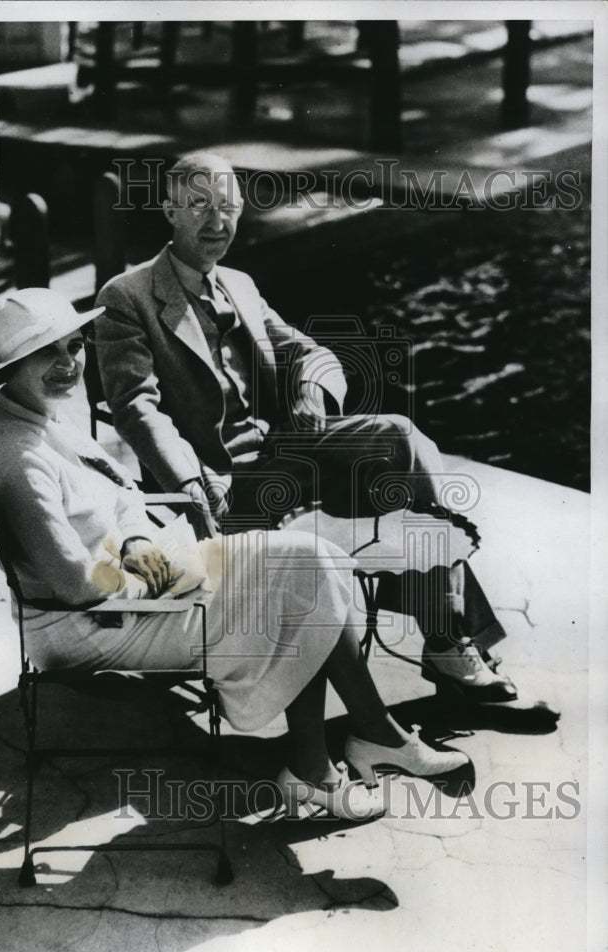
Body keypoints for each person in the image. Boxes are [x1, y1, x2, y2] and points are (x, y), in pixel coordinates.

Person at [0, 287, 472, 823]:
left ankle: (348, 751)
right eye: (48, 353)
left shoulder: (41, 408)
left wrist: (140, 543)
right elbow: (74, 585)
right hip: (89, 627)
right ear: (9, 368)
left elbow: (121, 503)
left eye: (73, 345)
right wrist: (158, 576)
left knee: (315, 559)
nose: (68, 364)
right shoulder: (16, 456)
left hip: (130, 583)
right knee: (299, 586)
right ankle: (340, 757)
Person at [93, 151, 558, 720]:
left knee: (398, 438)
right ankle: (451, 644)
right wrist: (192, 482)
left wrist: (311, 394)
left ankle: (444, 640)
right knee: (394, 481)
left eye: (228, 208)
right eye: (199, 206)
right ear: (169, 210)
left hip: (285, 452)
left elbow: (308, 353)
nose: (217, 223)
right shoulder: (128, 295)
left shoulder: (239, 283)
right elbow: (135, 408)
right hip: (222, 480)